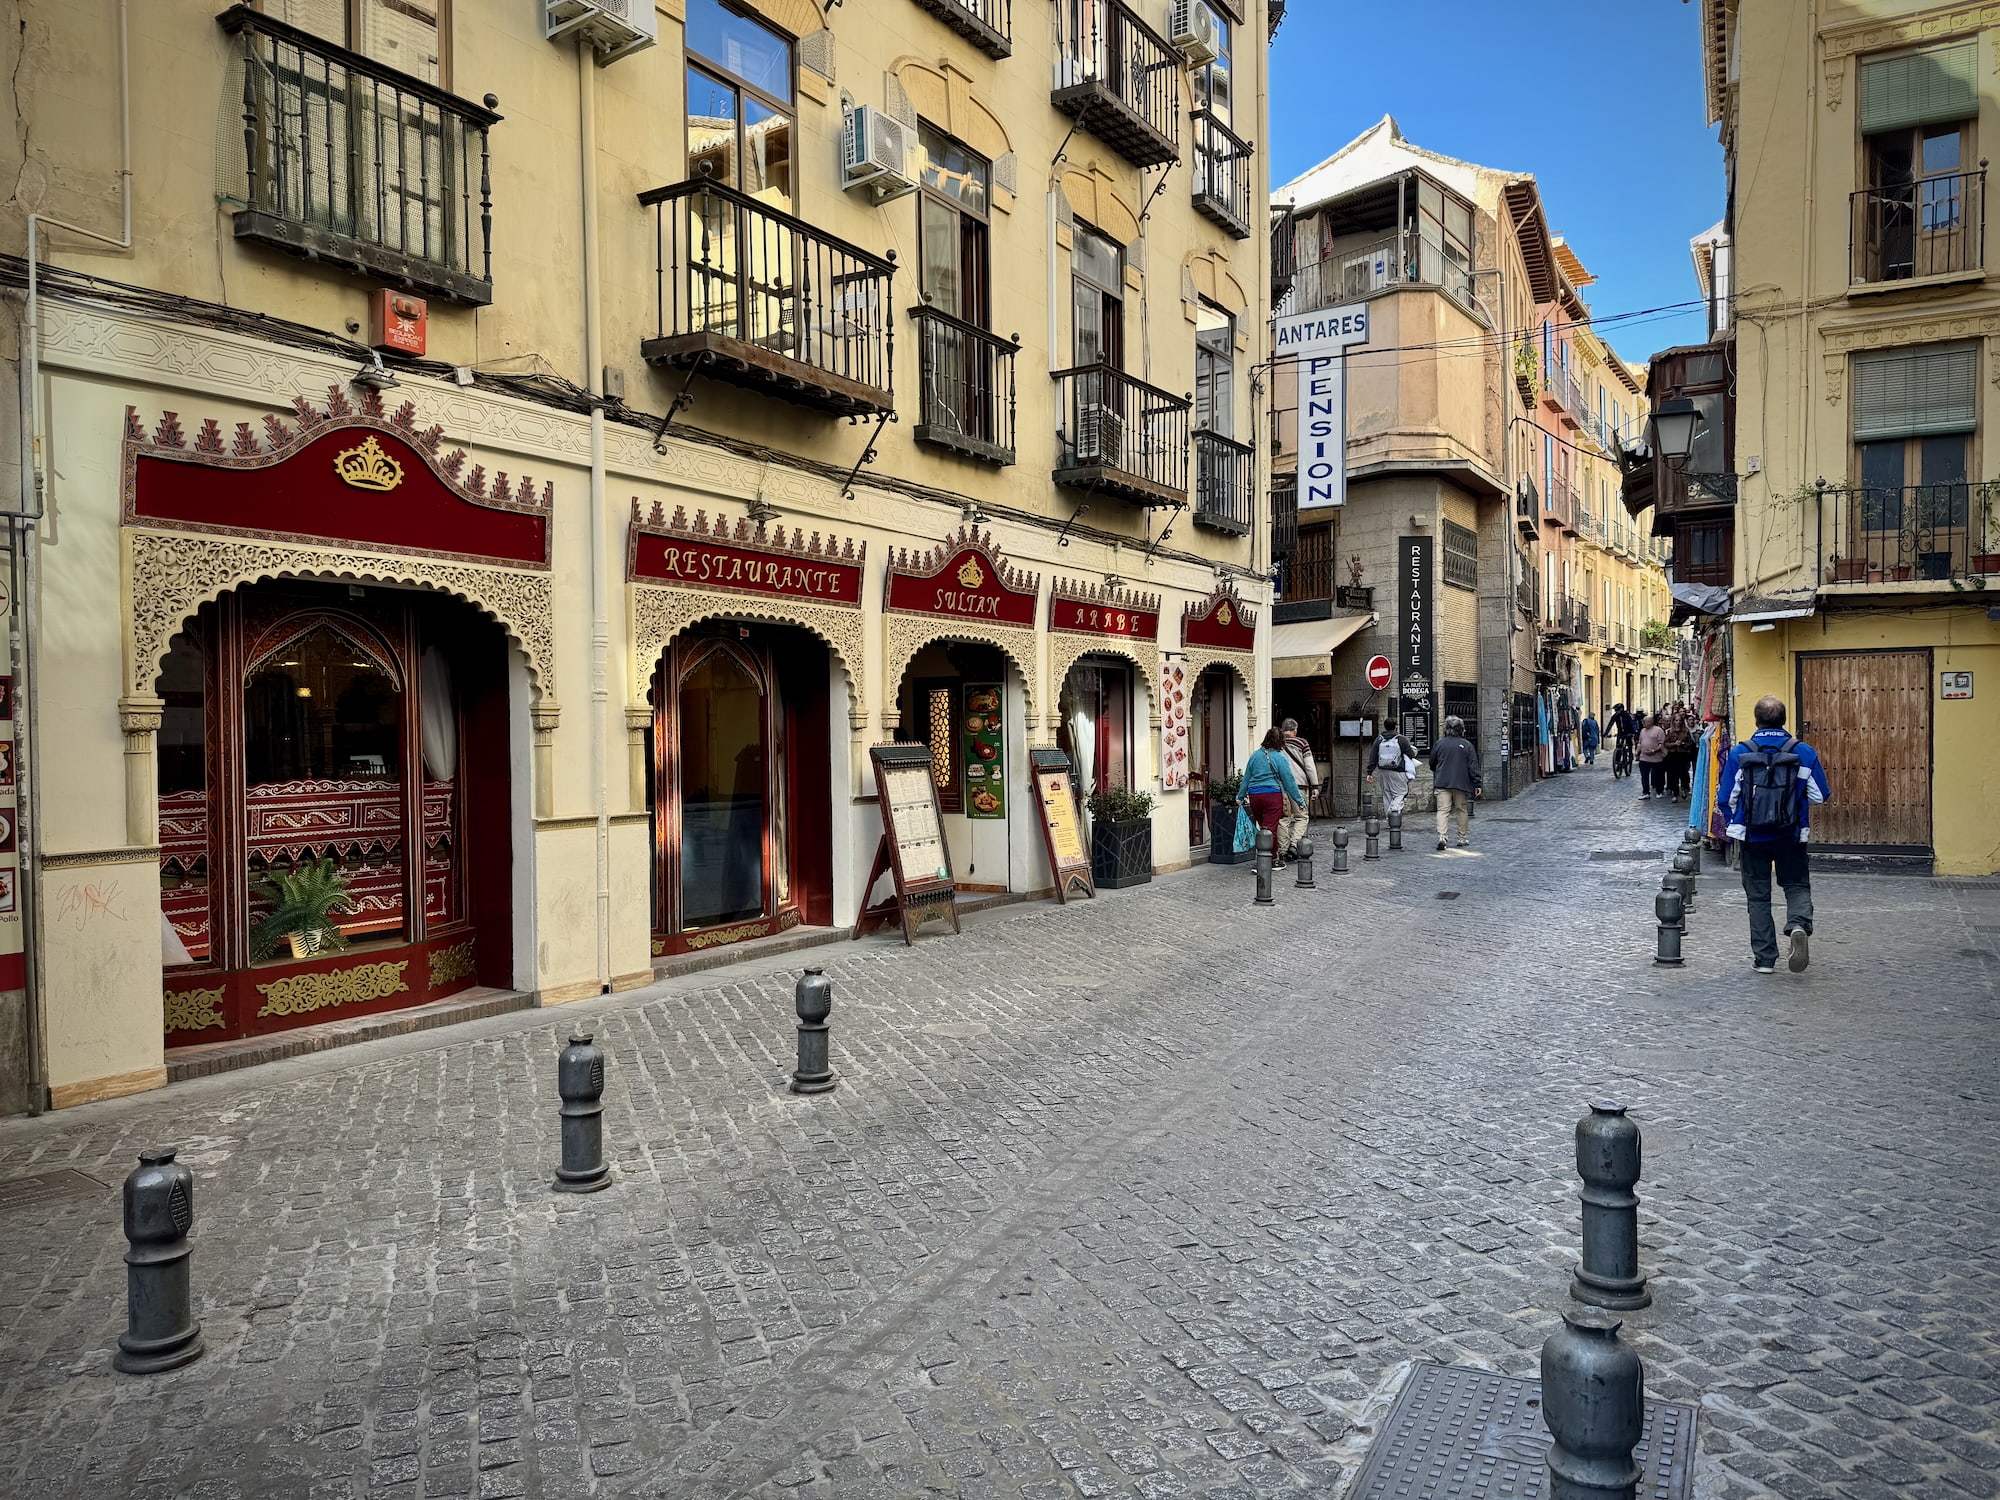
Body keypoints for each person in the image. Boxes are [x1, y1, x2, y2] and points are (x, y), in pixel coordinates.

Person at [1717, 695, 1830, 974]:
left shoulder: (1740, 753)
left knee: (1758, 897)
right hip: (1791, 835)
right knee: (1796, 885)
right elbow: (1819, 795)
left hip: (1752, 836)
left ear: (1756, 721)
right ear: (1784, 720)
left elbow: (1726, 798)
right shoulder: (1804, 752)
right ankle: (1798, 925)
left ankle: (1765, 959)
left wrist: (1736, 823)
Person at [1241, 726, 1304, 864]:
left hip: (1254, 796)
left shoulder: (1255, 756)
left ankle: (1265, 857)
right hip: (1272, 796)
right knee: (1270, 829)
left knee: (1263, 827)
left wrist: (1240, 796)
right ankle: (1271, 859)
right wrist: (1299, 800)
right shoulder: (1280, 757)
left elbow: (1246, 778)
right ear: (1280, 741)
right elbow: (1289, 781)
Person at [1428, 715, 1482, 850]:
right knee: (1461, 809)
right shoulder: (1467, 745)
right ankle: (1462, 837)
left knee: (1443, 810)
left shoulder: (1439, 744)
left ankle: (1442, 836)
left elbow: (1432, 762)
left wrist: (1438, 771)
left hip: (1442, 781)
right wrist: (1477, 783)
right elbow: (1473, 766)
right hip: (1461, 782)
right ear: (1461, 729)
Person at [1278, 718, 1320, 860]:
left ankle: (1282, 851)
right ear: (1295, 730)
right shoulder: (1302, 743)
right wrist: (1315, 785)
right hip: (1299, 786)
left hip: (1282, 787)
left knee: (1284, 818)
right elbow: (1309, 766)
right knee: (1302, 817)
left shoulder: (1277, 744)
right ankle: (1294, 845)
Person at [1366, 718, 1417, 818]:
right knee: (1401, 793)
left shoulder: (1379, 739)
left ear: (1385, 726)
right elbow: (1411, 754)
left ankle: (1390, 820)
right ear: (1395, 726)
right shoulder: (1401, 739)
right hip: (1398, 771)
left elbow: (1373, 756)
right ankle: (1394, 811)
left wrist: (1370, 772)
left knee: (1387, 795)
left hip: (1383, 771)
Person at [1662, 704, 1695, 801]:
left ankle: (1684, 788)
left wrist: (1683, 743)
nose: (1678, 722)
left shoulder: (1686, 731)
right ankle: (1675, 793)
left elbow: (1690, 743)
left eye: (1680, 720)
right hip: (1672, 754)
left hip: (1683, 754)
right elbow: (1666, 743)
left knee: (1683, 773)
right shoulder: (1669, 731)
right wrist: (1674, 744)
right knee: (1673, 774)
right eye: (1676, 720)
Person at [1636, 713, 1666, 799]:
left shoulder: (1658, 730)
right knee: (1644, 776)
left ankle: (1659, 791)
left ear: (1650, 722)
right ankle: (1646, 792)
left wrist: (1654, 750)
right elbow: (1640, 743)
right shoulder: (1642, 731)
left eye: (1644, 721)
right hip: (1644, 757)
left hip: (1656, 758)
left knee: (1658, 776)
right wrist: (1637, 752)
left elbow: (1662, 744)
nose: (1643, 723)